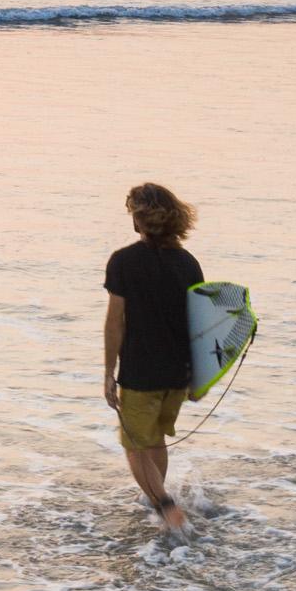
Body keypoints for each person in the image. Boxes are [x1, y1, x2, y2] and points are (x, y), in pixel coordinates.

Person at [102, 182, 205, 530]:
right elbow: (201, 325)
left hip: (141, 372)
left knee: (134, 444)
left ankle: (165, 505)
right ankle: (157, 500)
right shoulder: (189, 264)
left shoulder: (123, 262)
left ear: (138, 220)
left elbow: (115, 321)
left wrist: (108, 372)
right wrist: (199, 376)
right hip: (177, 374)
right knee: (155, 439)